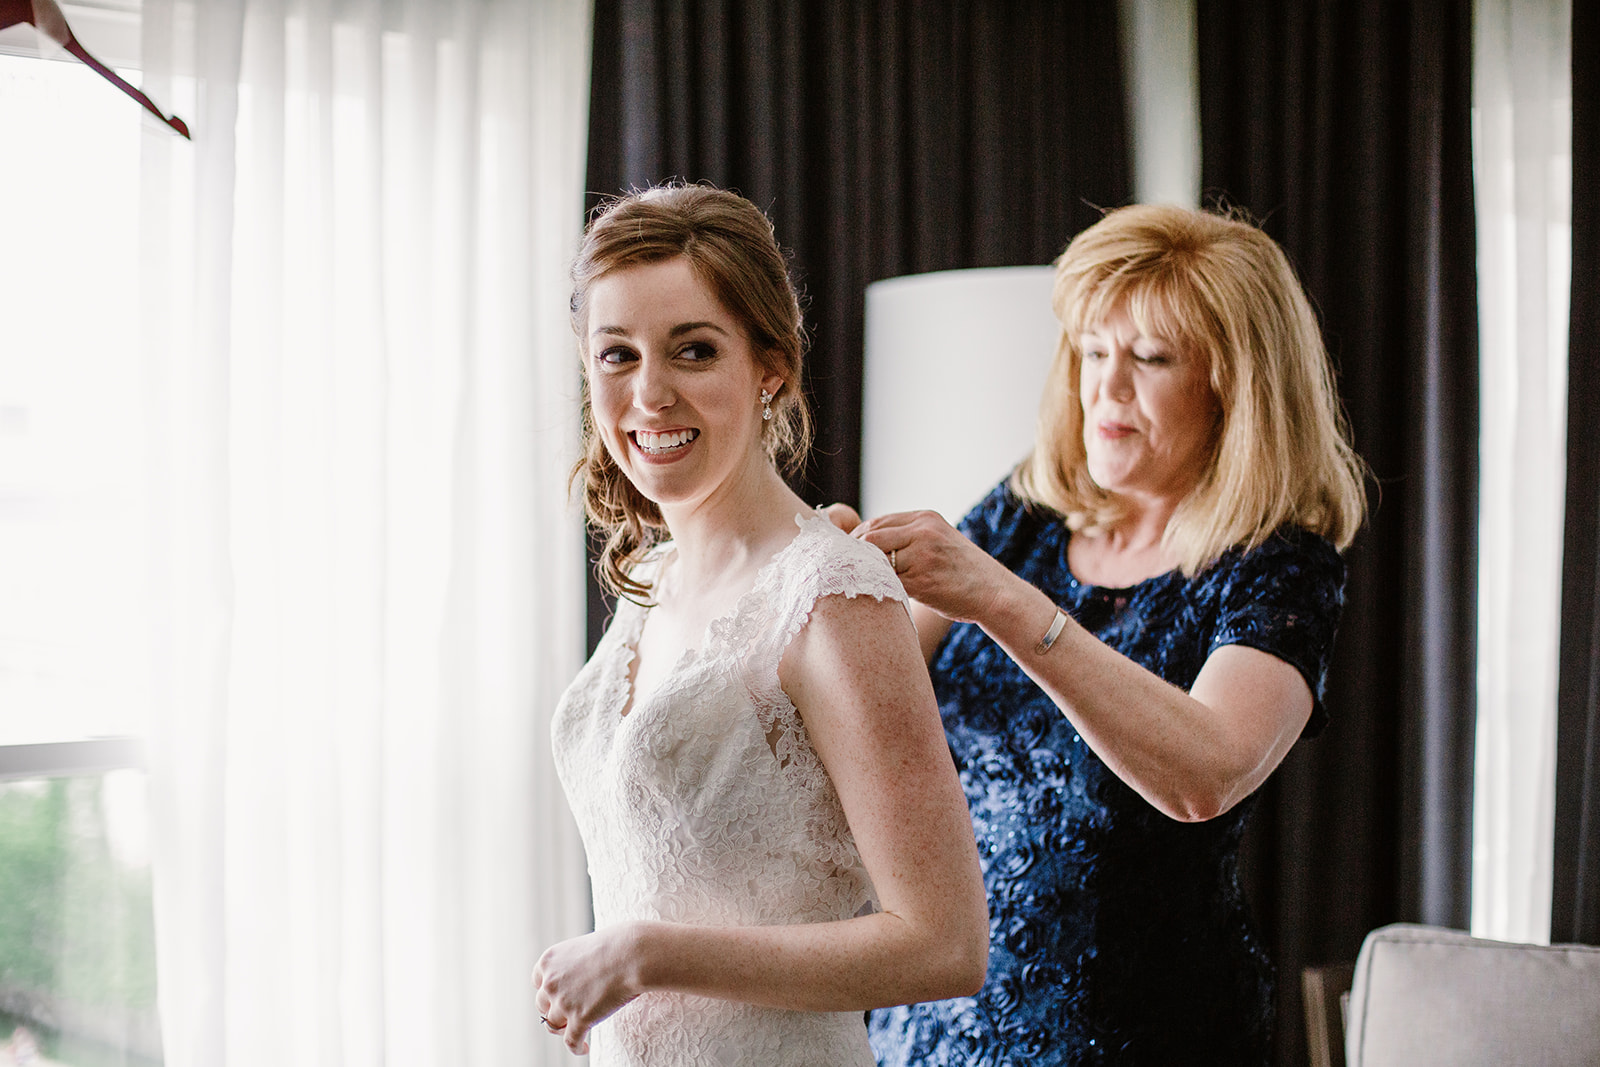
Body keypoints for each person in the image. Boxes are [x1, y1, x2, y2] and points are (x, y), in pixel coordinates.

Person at [843, 204, 1368, 1065]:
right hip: (936, 1019)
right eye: (1092, 350)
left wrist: (1008, 602)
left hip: (1138, 1031)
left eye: (1151, 358)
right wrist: (826, 578)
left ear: (1233, 381)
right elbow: (872, 675)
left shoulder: (1279, 563)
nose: (1106, 388)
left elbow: (1206, 772)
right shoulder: (1027, 512)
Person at [534, 183, 988, 1066]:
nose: (649, 394)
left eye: (693, 351)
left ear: (769, 366)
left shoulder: (830, 595)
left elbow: (944, 943)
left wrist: (645, 953)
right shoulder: (651, 581)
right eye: (616, 355)